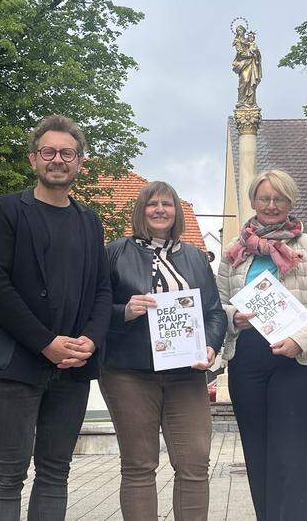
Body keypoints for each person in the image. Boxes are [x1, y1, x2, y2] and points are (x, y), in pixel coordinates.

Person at [0, 114, 113, 520]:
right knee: (8, 474)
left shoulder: (90, 221)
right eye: (49, 152)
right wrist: (45, 343)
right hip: (18, 365)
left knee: (56, 472)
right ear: (33, 159)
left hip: (73, 366)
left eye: (66, 153)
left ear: (80, 162)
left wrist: (91, 338)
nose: (58, 160)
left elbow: (102, 290)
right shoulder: (6, 212)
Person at [99, 181, 227, 520]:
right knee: (140, 465)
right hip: (128, 373)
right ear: (140, 210)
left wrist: (211, 345)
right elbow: (92, 310)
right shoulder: (114, 252)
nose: (159, 209)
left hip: (187, 375)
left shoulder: (196, 257)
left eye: (166, 204)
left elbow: (213, 312)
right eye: (152, 204)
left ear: (176, 212)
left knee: (195, 463)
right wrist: (123, 311)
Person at [216, 169, 307, 520]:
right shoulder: (233, 252)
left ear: (289, 202)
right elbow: (216, 303)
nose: (271, 205)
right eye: (264, 198)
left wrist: (301, 340)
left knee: (291, 455)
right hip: (247, 358)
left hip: (295, 359)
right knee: (257, 454)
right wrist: (232, 317)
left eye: (279, 198)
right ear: (253, 201)